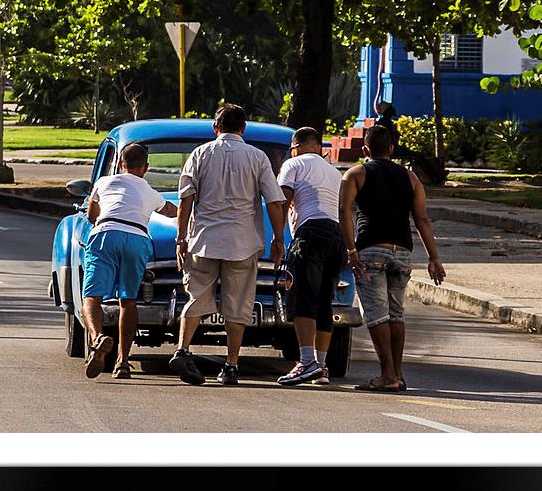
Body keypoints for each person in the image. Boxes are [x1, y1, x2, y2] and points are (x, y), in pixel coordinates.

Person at [169, 104, 286, 386]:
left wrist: (181, 237)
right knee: (238, 305)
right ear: (243, 129)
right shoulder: (257, 157)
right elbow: (274, 200)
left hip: (205, 240)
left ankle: (183, 350)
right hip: (242, 243)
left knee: (196, 297)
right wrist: (278, 238)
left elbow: (186, 199)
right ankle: (231, 365)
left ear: (215, 128)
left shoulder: (200, 154)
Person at [339, 124, 446, 392]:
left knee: (377, 317)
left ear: (365, 150)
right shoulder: (410, 178)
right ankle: (397, 373)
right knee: (396, 315)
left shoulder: (355, 174)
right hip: (402, 252)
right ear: (391, 149)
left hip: (371, 250)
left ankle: (387, 375)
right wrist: (434, 259)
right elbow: (421, 218)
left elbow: (344, 211)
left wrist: (351, 250)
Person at [82, 143, 178, 380]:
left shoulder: (104, 182)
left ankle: (97, 339)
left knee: (91, 297)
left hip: (105, 234)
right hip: (137, 237)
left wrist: (99, 222)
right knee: (128, 300)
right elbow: (170, 211)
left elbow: (91, 213)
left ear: (121, 164)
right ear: (146, 167)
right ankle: (123, 362)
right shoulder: (150, 192)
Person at [271, 126, 346, 386]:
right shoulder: (334, 172)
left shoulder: (293, 164)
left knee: (302, 297)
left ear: (295, 148)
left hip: (310, 233)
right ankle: (321, 366)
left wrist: (278, 239)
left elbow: (283, 199)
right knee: (324, 302)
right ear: (320, 148)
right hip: (336, 236)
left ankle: (305, 361)